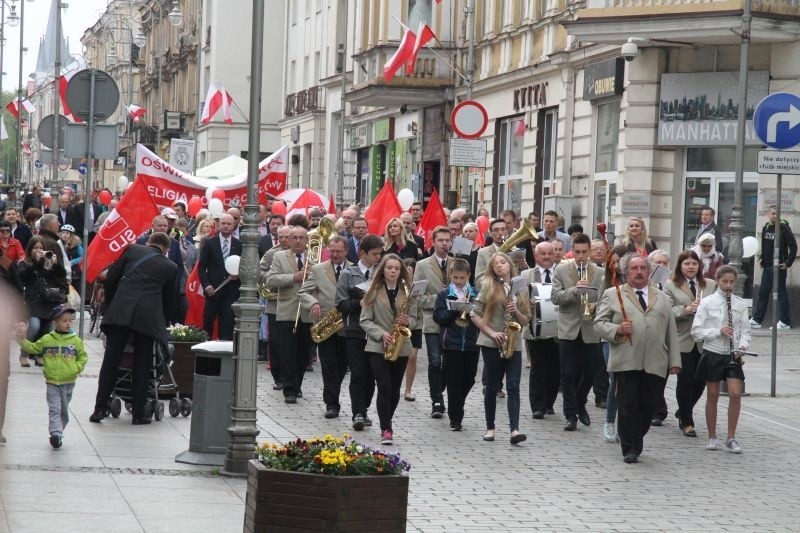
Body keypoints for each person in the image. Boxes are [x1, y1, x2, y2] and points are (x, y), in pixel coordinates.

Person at [594, 254, 681, 464]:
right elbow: (598, 324)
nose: (639, 272)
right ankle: (630, 447)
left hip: (655, 360)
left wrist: (675, 360)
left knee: (649, 404)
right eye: (634, 268)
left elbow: (671, 329)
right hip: (626, 358)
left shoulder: (661, 297)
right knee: (627, 403)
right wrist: (617, 329)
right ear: (626, 271)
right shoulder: (613, 294)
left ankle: (636, 436)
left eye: (643, 268)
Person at [90, 233, 177, 425]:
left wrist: (111, 306)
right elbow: (169, 299)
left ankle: (99, 409)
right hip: (147, 318)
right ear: (166, 250)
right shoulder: (170, 267)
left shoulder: (133, 250)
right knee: (143, 363)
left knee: (111, 361)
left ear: (148, 243)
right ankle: (138, 413)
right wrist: (166, 321)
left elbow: (112, 278)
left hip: (121, 310)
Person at [470, 252, 530, 445]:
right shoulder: (488, 285)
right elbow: (474, 313)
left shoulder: (520, 286)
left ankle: (514, 429)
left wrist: (517, 311)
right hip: (492, 342)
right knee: (492, 387)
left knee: (513, 386)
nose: (500, 266)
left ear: (510, 264)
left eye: (503, 262)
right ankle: (490, 427)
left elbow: (526, 319)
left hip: (514, 341)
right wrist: (492, 333)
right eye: (495, 265)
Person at [360, 254, 418, 445]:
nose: (393, 271)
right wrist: (381, 334)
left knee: (394, 390)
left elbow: (416, 318)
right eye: (389, 268)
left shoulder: (408, 292)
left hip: (401, 346)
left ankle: (387, 419)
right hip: (377, 346)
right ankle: (386, 428)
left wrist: (409, 321)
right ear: (382, 270)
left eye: (396, 268)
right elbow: (365, 321)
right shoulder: (373, 291)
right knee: (384, 386)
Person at [692, 265, 750, 454]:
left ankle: (731, 437)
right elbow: (696, 331)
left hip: (732, 354)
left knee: (735, 393)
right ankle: (712, 436)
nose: (728, 285)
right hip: (713, 352)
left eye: (731, 282)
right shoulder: (707, 302)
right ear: (717, 280)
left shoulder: (740, 304)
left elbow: (746, 331)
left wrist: (743, 346)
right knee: (713, 395)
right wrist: (718, 331)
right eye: (725, 281)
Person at [552, 233, 605, 432]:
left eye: (584, 252)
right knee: (568, 374)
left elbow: (605, 300)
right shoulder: (562, 270)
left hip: (590, 328)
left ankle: (580, 401)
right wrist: (573, 290)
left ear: (590, 251)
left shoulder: (599, 273)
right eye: (577, 252)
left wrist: (595, 306)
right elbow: (555, 297)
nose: (580, 256)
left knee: (591, 371)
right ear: (572, 251)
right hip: (568, 329)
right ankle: (570, 414)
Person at [14, 304, 87, 449]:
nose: (67, 323)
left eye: (69, 320)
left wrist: (76, 368)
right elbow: (32, 348)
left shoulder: (75, 340)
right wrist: (21, 339)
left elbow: (83, 356)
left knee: (63, 411)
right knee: (54, 409)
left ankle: (58, 432)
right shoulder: (47, 339)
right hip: (52, 382)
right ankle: (55, 434)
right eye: (64, 320)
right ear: (55, 323)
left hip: (68, 382)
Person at [663, 249, 716, 438]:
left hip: (703, 340)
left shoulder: (709, 285)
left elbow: (717, 308)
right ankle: (687, 421)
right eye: (687, 263)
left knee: (700, 381)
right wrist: (686, 309)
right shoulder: (671, 285)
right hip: (682, 338)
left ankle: (683, 409)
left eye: (694, 263)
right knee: (685, 380)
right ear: (680, 266)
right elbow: (667, 311)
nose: (691, 267)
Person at [298, 235, 351, 418]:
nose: (335, 254)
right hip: (325, 325)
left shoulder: (353, 270)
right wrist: (313, 303)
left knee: (342, 365)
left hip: (346, 325)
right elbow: (303, 292)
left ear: (346, 251)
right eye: (332, 251)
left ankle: (332, 393)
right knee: (328, 365)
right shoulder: (319, 269)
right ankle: (332, 403)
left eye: (338, 251)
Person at [336, 234, 383, 430]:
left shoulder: (381, 273)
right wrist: (358, 303)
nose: (378, 258)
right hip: (354, 330)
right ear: (362, 253)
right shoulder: (349, 273)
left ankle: (364, 407)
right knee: (357, 372)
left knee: (371, 374)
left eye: (380, 254)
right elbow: (340, 304)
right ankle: (358, 412)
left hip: (375, 330)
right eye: (374, 254)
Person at [268, 226, 314, 404]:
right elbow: (271, 279)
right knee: (287, 352)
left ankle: (297, 384)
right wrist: (294, 277)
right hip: (287, 311)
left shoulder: (313, 257)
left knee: (303, 353)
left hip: (307, 311)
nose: (297, 241)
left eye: (301, 237)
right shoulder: (279, 256)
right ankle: (289, 390)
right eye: (293, 237)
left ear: (306, 240)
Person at [433, 258, 479, 431]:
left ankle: (457, 401)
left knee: (469, 378)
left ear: (469, 275)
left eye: (462, 278)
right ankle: (456, 417)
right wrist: (454, 311)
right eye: (456, 278)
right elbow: (438, 317)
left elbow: (482, 315)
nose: (459, 281)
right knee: (454, 380)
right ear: (450, 275)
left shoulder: (475, 293)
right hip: (451, 343)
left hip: (471, 342)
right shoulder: (444, 294)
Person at [413, 226, 453, 419]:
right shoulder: (422, 266)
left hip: (453, 321)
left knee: (448, 363)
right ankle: (436, 400)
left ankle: (439, 387)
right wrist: (440, 299)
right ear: (433, 242)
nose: (444, 244)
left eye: (447, 240)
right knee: (435, 361)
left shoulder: (457, 262)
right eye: (441, 240)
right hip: (432, 320)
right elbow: (417, 298)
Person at [15, 236, 69, 367]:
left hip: (49, 300)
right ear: (30, 249)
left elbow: (62, 275)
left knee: (48, 328)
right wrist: (35, 263)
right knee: (34, 325)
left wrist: (54, 264)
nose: (39, 251)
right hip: (33, 300)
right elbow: (22, 277)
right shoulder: (25, 263)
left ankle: (40, 355)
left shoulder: (49, 262)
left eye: (41, 248)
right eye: (36, 248)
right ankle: (24, 353)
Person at [522, 241, 561, 420]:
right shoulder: (526, 274)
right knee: (538, 366)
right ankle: (537, 406)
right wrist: (526, 303)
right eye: (542, 254)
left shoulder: (562, 273)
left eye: (549, 254)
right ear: (535, 256)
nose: (546, 257)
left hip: (557, 327)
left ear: (555, 255)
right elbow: (517, 298)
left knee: (555, 367)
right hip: (534, 327)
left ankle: (549, 403)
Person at [750, 205, 797, 330]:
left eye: (777, 213)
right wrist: (762, 258)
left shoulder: (784, 228)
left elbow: (793, 247)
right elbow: (765, 246)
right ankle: (757, 320)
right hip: (768, 266)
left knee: (781, 294)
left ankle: (785, 322)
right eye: (772, 213)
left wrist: (787, 263)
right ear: (768, 214)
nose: (774, 216)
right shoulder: (766, 227)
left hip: (779, 266)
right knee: (763, 293)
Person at [198, 213, 241, 340]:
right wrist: (206, 285)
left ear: (233, 226)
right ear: (218, 225)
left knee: (227, 324)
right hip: (213, 291)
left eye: (229, 224)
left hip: (231, 291)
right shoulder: (210, 243)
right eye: (223, 223)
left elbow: (244, 266)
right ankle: (206, 350)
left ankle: (225, 352)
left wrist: (238, 275)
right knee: (208, 322)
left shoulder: (239, 244)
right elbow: (201, 267)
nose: (226, 226)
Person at [259, 225, 291, 387]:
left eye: (287, 236)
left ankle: (291, 378)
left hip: (294, 303)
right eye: (281, 237)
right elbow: (260, 271)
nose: (284, 240)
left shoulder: (300, 252)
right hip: (275, 303)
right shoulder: (271, 253)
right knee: (276, 343)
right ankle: (278, 377)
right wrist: (274, 277)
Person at [401, 258, 422, 402]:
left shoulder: (419, 284)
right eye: (406, 267)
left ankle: (408, 389)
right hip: (399, 321)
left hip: (415, 322)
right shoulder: (398, 283)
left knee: (412, 356)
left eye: (412, 267)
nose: (409, 269)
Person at [59, 224, 84, 292]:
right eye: (63, 233)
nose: (64, 235)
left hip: (75, 271)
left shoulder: (77, 245)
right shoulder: (59, 244)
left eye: (67, 233)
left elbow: (83, 257)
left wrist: (72, 262)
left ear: (71, 235)